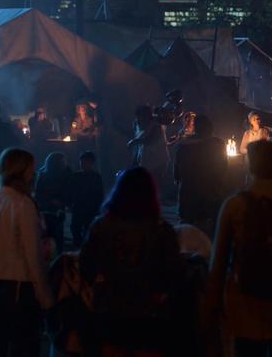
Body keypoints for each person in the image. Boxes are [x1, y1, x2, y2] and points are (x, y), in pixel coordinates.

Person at [206, 140, 272, 357]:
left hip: (244, 305)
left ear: (249, 165)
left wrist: (213, 303)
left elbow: (218, 261)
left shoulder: (234, 206)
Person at [79, 168, 185, 356]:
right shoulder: (162, 230)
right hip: (149, 311)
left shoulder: (101, 226)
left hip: (110, 308)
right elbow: (173, 272)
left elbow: (86, 266)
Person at [0, 148, 55, 357]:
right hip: (18, 289)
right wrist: (46, 297)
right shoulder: (22, 204)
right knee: (21, 348)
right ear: (24, 170)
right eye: (31, 167)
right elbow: (33, 256)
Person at [174, 114, 228, 236]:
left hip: (188, 190)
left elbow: (177, 168)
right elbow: (223, 167)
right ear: (210, 128)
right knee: (204, 226)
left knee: (186, 224)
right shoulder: (217, 144)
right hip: (207, 191)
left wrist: (177, 179)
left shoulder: (184, 145)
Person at [35, 152, 72, 252]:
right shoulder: (44, 175)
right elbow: (39, 193)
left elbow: (68, 190)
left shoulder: (66, 174)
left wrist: (63, 203)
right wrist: (51, 201)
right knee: (51, 234)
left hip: (57, 209)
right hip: (48, 210)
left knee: (57, 233)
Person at [68, 151, 104, 247]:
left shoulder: (95, 177)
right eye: (82, 161)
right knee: (76, 228)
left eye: (85, 161)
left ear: (91, 162)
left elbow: (99, 194)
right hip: (80, 207)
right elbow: (71, 191)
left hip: (90, 208)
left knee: (86, 229)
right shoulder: (77, 176)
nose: (82, 164)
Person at [128, 105, 170, 185]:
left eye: (142, 116)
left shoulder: (156, 124)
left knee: (155, 186)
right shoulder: (137, 124)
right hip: (146, 163)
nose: (139, 119)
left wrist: (135, 142)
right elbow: (139, 146)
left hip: (158, 162)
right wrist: (135, 160)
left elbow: (152, 141)